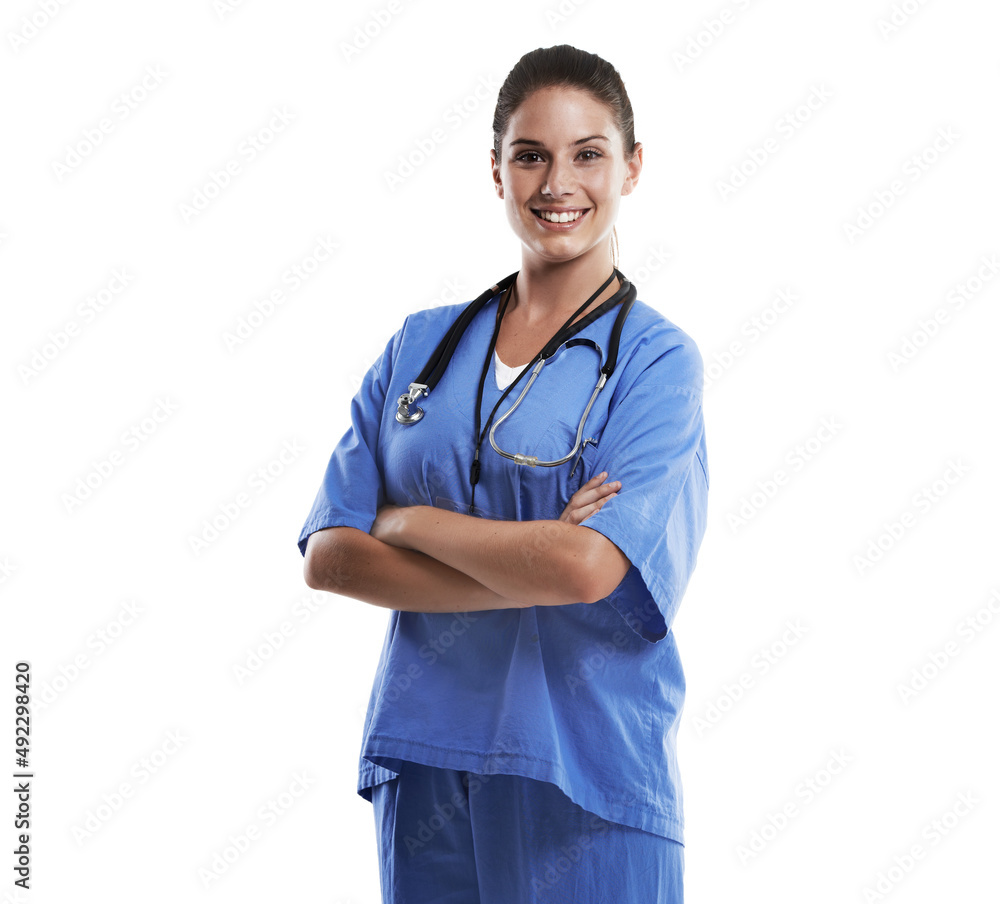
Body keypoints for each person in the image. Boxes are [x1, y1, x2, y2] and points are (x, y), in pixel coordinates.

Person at [297, 44, 708, 903]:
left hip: (588, 770)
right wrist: (538, 560)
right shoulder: (420, 347)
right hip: (426, 758)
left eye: (588, 154)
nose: (558, 182)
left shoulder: (656, 362)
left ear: (632, 167)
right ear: (496, 171)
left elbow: (590, 568)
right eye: (531, 156)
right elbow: (330, 556)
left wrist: (405, 523)